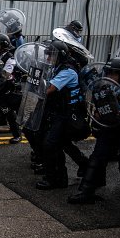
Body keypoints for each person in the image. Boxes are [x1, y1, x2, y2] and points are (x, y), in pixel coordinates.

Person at [68, 57, 120, 205]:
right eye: (108, 73)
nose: (109, 77)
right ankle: (86, 191)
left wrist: (104, 113)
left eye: (113, 74)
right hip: (110, 128)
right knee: (97, 157)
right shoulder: (110, 86)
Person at [35, 40, 83, 190]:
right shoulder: (57, 68)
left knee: (51, 144)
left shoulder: (67, 71)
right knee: (62, 143)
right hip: (58, 112)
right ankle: (86, 167)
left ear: (60, 56)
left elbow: (48, 89)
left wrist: (36, 79)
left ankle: (56, 179)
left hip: (67, 114)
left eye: (51, 56)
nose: (49, 59)